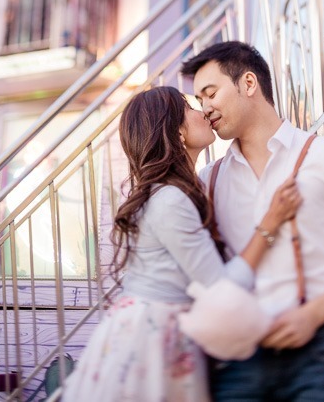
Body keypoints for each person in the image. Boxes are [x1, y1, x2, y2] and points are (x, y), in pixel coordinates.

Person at [181, 41, 324, 402]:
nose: (205, 108)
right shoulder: (209, 180)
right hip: (239, 358)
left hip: (322, 349)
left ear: (249, 83)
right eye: (198, 101)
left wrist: (313, 315)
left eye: (210, 94)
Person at [60, 86, 301, 402]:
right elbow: (220, 289)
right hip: (151, 339)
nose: (204, 110)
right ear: (177, 132)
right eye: (191, 107)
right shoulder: (171, 200)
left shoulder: (189, 187)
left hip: (154, 330)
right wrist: (270, 224)